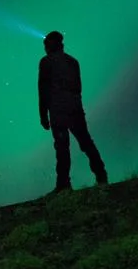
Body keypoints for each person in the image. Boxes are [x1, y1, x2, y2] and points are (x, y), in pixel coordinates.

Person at [38, 31, 108, 193]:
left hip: (58, 110)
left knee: (62, 148)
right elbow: (78, 87)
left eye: (46, 44)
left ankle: (63, 185)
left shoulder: (46, 62)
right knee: (86, 142)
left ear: (50, 45)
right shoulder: (73, 62)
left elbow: (43, 90)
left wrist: (43, 115)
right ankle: (101, 175)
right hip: (75, 108)